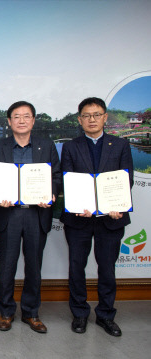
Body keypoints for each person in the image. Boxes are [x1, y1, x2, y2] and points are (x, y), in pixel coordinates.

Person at [0, 101, 61, 333]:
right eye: (16, 116)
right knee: (7, 266)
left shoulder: (46, 146)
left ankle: (31, 313)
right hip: (9, 214)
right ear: (9, 121)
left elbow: (56, 176)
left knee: (34, 266)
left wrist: (51, 193)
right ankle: (6, 312)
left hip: (37, 214)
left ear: (33, 120)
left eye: (26, 116)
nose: (21, 120)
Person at [60, 97, 133, 337]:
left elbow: (126, 180)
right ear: (80, 119)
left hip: (111, 218)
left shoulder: (120, 145)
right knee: (76, 267)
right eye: (87, 115)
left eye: (96, 114)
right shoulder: (71, 146)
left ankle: (105, 315)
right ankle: (80, 314)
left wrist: (116, 205)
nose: (92, 119)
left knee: (107, 268)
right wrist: (79, 204)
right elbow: (67, 179)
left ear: (105, 117)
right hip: (79, 218)